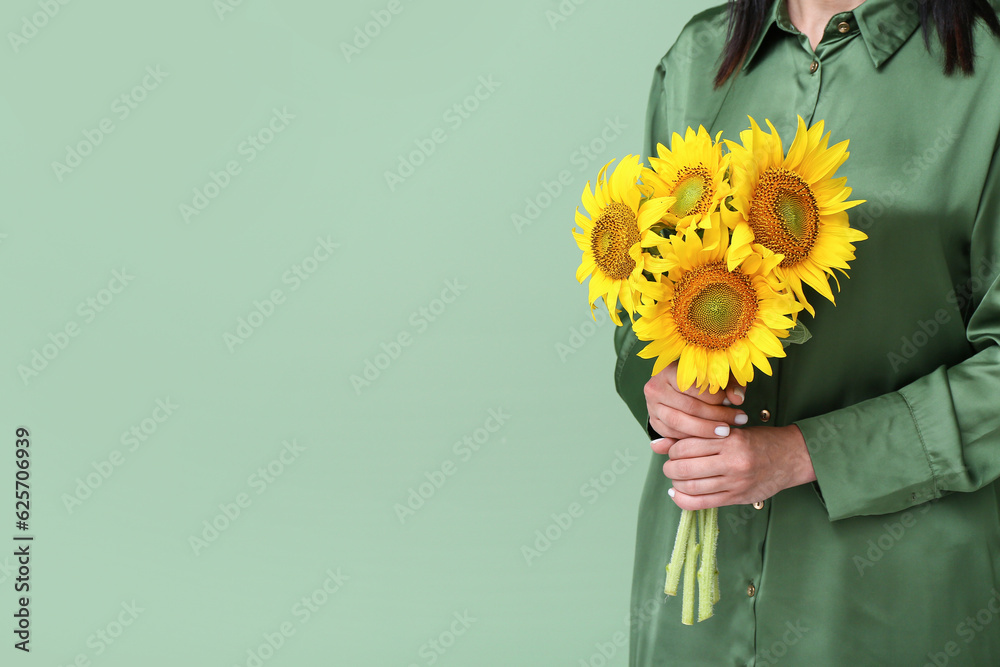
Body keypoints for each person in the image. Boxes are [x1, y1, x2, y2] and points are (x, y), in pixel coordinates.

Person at [613, 0, 1000, 664]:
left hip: (893, 604)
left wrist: (801, 452)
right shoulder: (697, 57)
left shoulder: (988, 69)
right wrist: (662, 388)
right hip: (693, 614)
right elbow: (641, 303)